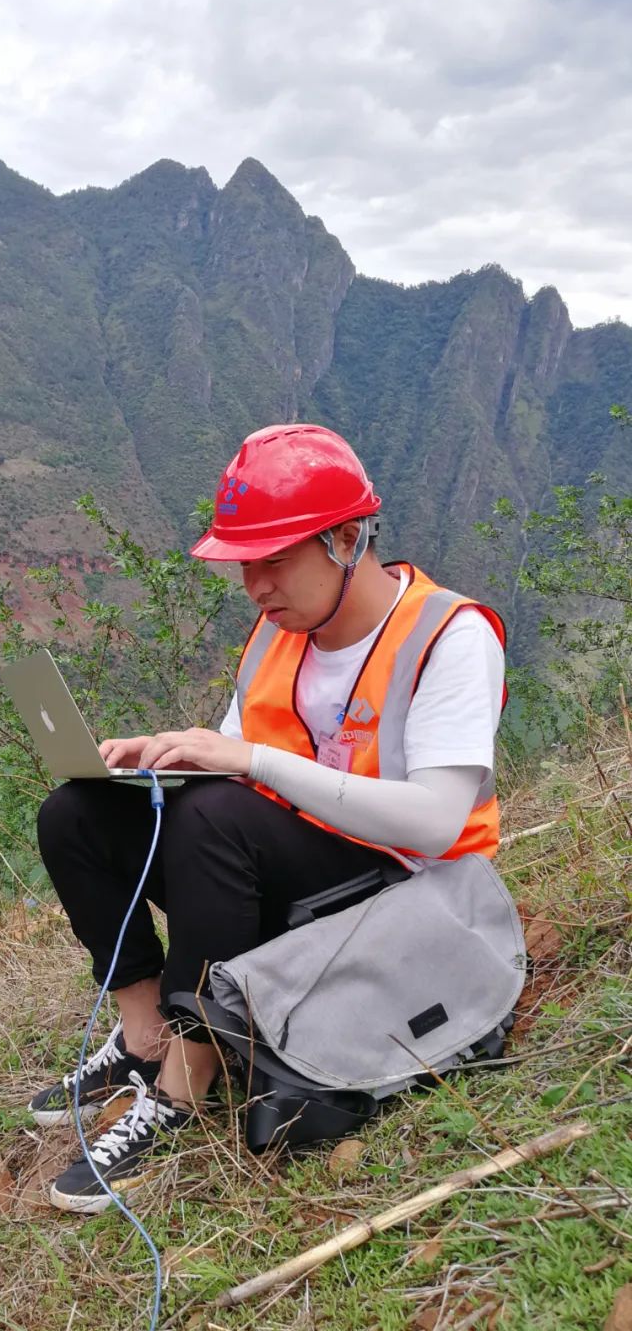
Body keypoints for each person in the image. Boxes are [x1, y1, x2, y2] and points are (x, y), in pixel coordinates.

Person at [29, 424, 506, 1214]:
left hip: (402, 895)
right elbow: (239, 746)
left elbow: (434, 820)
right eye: (244, 563)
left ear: (347, 539)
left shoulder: (446, 636)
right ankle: (144, 1033)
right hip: (284, 867)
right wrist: (166, 756)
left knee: (215, 816)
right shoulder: (281, 637)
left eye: (274, 559)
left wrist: (248, 764)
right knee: (76, 812)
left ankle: (182, 1090)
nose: (255, 585)